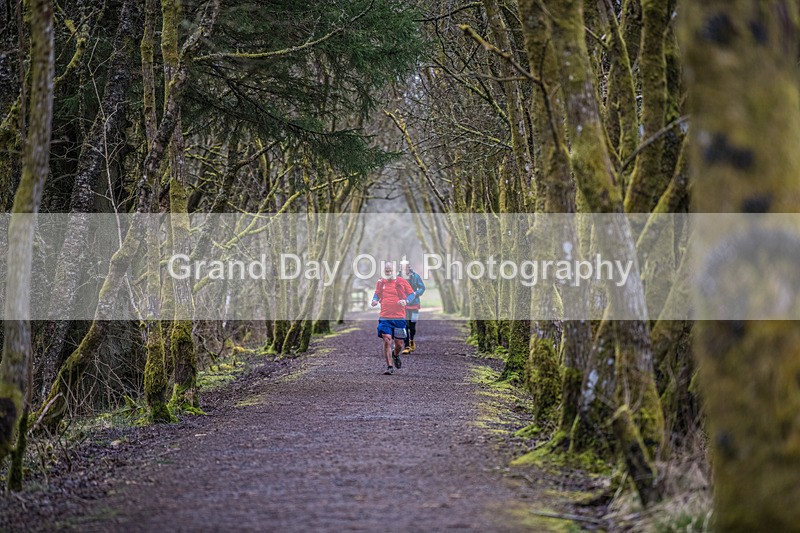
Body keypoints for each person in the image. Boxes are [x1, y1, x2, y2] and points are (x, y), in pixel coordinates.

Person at [371, 261, 416, 375]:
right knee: (387, 339)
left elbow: (412, 294)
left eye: (391, 271)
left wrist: (405, 301)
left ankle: (395, 355)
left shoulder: (401, 281)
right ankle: (389, 366)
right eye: (387, 271)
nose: (389, 273)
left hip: (399, 317)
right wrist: (374, 300)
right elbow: (376, 293)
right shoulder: (380, 282)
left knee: (399, 344)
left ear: (395, 271)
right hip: (385, 316)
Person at [401, 262, 425, 354]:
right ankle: (406, 345)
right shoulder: (399, 276)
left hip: (415, 304)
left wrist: (416, 293)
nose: (404, 269)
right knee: (405, 325)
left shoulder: (415, 276)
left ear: (409, 267)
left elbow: (422, 288)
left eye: (406, 267)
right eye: (403, 267)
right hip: (403, 304)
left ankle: (412, 340)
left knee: (412, 325)